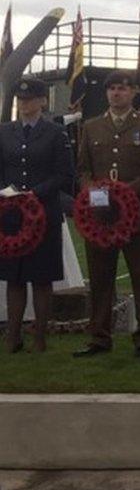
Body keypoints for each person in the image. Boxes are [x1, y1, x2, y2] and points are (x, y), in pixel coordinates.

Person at [72, 70, 140, 359]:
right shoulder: (91, 127)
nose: (117, 93)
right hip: (101, 219)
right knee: (101, 280)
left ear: (133, 92)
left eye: (123, 89)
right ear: (106, 93)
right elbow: (82, 169)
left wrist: (130, 191)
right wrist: (91, 189)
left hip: (138, 218)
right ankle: (99, 337)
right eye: (112, 89)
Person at [0, 77, 74, 354]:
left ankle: (40, 335)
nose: (24, 104)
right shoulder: (5, 132)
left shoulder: (56, 133)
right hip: (12, 217)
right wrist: (7, 193)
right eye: (21, 100)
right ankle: (14, 335)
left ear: (43, 101)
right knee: (14, 277)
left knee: (42, 278)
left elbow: (65, 175)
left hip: (43, 214)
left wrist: (34, 193)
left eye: (30, 100)